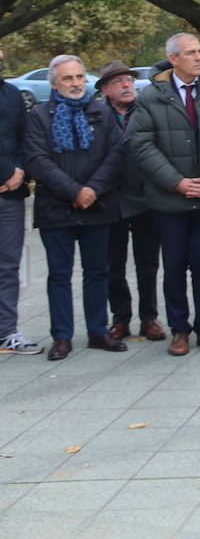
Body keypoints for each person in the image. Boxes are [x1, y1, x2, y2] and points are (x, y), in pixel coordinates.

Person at [128, 33, 200, 356]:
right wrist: (176, 182)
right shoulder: (151, 97)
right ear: (173, 59)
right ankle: (179, 330)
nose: (199, 57)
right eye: (191, 53)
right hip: (169, 199)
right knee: (173, 265)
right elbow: (140, 143)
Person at [23, 55, 127, 360]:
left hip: (98, 205)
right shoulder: (40, 116)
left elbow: (117, 153)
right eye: (68, 78)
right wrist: (73, 191)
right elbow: (36, 159)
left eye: (80, 77)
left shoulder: (102, 113)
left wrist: (92, 189)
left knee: (97, 271)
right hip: (57, 207)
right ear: (55, 83)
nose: (76, 83)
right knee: (59, 274)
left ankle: (98, 331)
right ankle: (62, 337)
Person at [94, 60, 164, 342]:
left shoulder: (146, 111)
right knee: (113, 264)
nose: (125, 85)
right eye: (117, 81)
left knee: (148, 262)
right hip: (110, 199)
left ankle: (149, 317)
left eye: (128, 80)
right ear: (104, 89)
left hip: (145, 197)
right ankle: (120, 318)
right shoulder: (96, 115)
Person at [0, 44, 41, 354]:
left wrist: (21, 173)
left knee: (8, 266)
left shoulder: (13, 95)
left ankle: (6, 331)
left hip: (11, 195)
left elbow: (26, 139)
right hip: (7, 181)